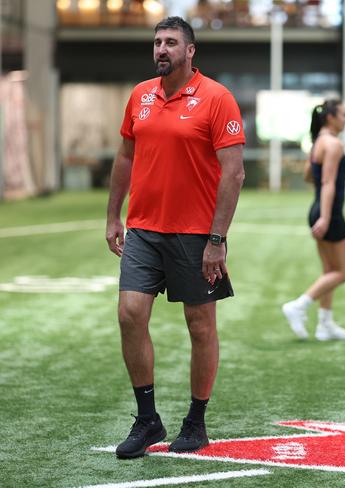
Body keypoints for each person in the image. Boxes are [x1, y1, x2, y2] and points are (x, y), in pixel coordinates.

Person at [105, 16, 245, 459]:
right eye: (157, 42)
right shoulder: (139, 96)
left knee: (200, 326)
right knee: (130, 314)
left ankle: (196, 421)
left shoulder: (217, 98)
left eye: (171, 42)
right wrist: (114, 215)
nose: (161, 49)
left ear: (190, 51)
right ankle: (148, 420)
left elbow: (234, 173)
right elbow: (125, 156)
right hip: (144, 228)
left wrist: (217, 239)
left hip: (196, 234)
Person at [281, 100, 345, 341]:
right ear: (331, 117)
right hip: (329, 214)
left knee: (329, 270)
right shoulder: (333, 144)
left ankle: (325, 325)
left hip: (317, 210)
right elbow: (326, 182)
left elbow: (308, 175)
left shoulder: (317, 143)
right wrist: (325, 217)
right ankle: (299, 306)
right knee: (344, 271)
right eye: (344, 114)